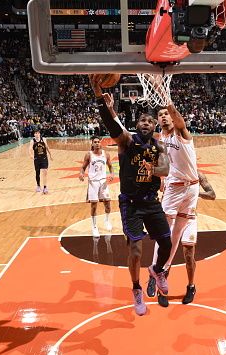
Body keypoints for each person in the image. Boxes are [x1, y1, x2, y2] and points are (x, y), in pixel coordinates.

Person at [89, 74, 172, 316]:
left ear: (155, 126)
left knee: (166, 243)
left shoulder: (159, 146)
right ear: (138, 125)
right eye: (142, 120)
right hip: (131, 204)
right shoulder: (127, 141)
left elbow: (165, 169)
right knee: (135, 249)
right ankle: (136, 289)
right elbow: (111, 124)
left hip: (152, 202)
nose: (146, 123)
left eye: (150, 121)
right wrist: (98, 97)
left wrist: (151, 169)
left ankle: (156, 270)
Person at [145, 104, 201, 306]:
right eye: (160, 115)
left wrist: (165, 96)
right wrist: (156, 175)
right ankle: (155, 271)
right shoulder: (161, 140)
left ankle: (163, 274)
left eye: (167, 114)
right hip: (174, 190)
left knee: (178, 239)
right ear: (158, 121)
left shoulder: (182, 133)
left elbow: (178, 118)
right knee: (164, 235)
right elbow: (165, 165)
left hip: (192, 189)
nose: (164, 117)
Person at [148, 171, 216, 306]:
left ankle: (191, 287)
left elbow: (212, 195)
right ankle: (161, 291)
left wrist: (196, 193)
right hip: (172, 219)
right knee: (167, 255)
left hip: (189, 219)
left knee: (189, 255)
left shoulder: (198, 176)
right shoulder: (169, 175)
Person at [79, 136, 114, 237]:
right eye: (95, 142)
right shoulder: (89, 155)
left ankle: (106, 220)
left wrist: (112, 174)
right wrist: (81, 174)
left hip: (103, 182)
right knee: (94, 205)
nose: (97, 143)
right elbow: (83, 168)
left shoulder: (106, 154)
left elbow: (111, 167)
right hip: (93, 182)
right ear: (92, 144)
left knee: (107, 203)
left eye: (99, 142)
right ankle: (94, 226)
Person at [29, 130, 53, 194]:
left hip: (44, 158)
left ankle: (45, 187)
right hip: (37, 159)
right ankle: (38, 186)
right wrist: (31, 155)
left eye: (38, 133)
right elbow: (30, 148)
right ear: (34, 134)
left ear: (40, 134)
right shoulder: (32, 141)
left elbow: (47, 147)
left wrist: (50, 155)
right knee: (37, 173)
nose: (37, 134)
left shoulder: (44, 139)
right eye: (36, 133)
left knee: (45, 171)